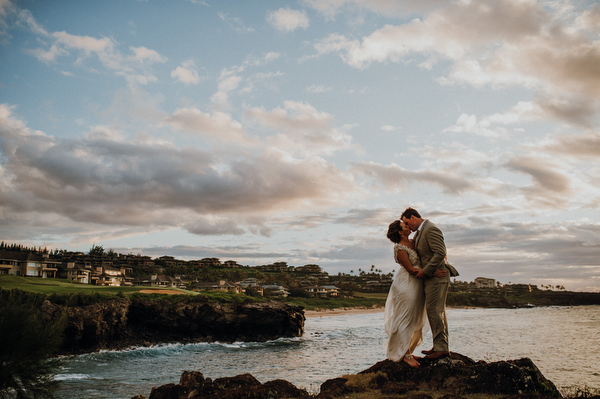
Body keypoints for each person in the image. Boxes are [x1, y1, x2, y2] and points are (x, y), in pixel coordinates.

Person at [383, 220, 447, 368]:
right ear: (400, 232)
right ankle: (404, 355)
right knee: (405, 318)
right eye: (405, 226)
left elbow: (424, 259)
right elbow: (412, 270)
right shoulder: (399, 249)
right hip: (407, 286)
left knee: (415, 318)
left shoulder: (414, 242)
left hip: (418, 285)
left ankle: (408, 350)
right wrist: (433, 272)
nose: (408, 226)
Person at [401, 207, 451, 359]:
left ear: (413, 217)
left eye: (407, 222)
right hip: (432, 276)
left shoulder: (430, 229)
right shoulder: (419, 233)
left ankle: (441, 348)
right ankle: (439, 345)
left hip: (438, 277)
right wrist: (429, 271)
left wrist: (427, 271)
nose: (408, 226)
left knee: (435, 310)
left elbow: (440, 252)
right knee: (435, 310)